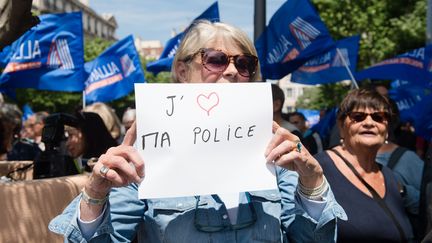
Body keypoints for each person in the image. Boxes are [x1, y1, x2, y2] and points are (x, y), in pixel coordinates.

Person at [50, 20, 345, 242]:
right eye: (216, 59)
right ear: (182, 71)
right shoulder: (147, 153)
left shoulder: (272, 150)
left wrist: (313, 182)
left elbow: (310, 237)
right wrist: (96, 193)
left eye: (245, 64)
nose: (231, 71)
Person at [315, 88, 414, 242]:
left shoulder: (389, 176)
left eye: (378, 117)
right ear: (341, 126)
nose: (369, 123)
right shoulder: (318, 169)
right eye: (358, 117)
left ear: (387, 130)